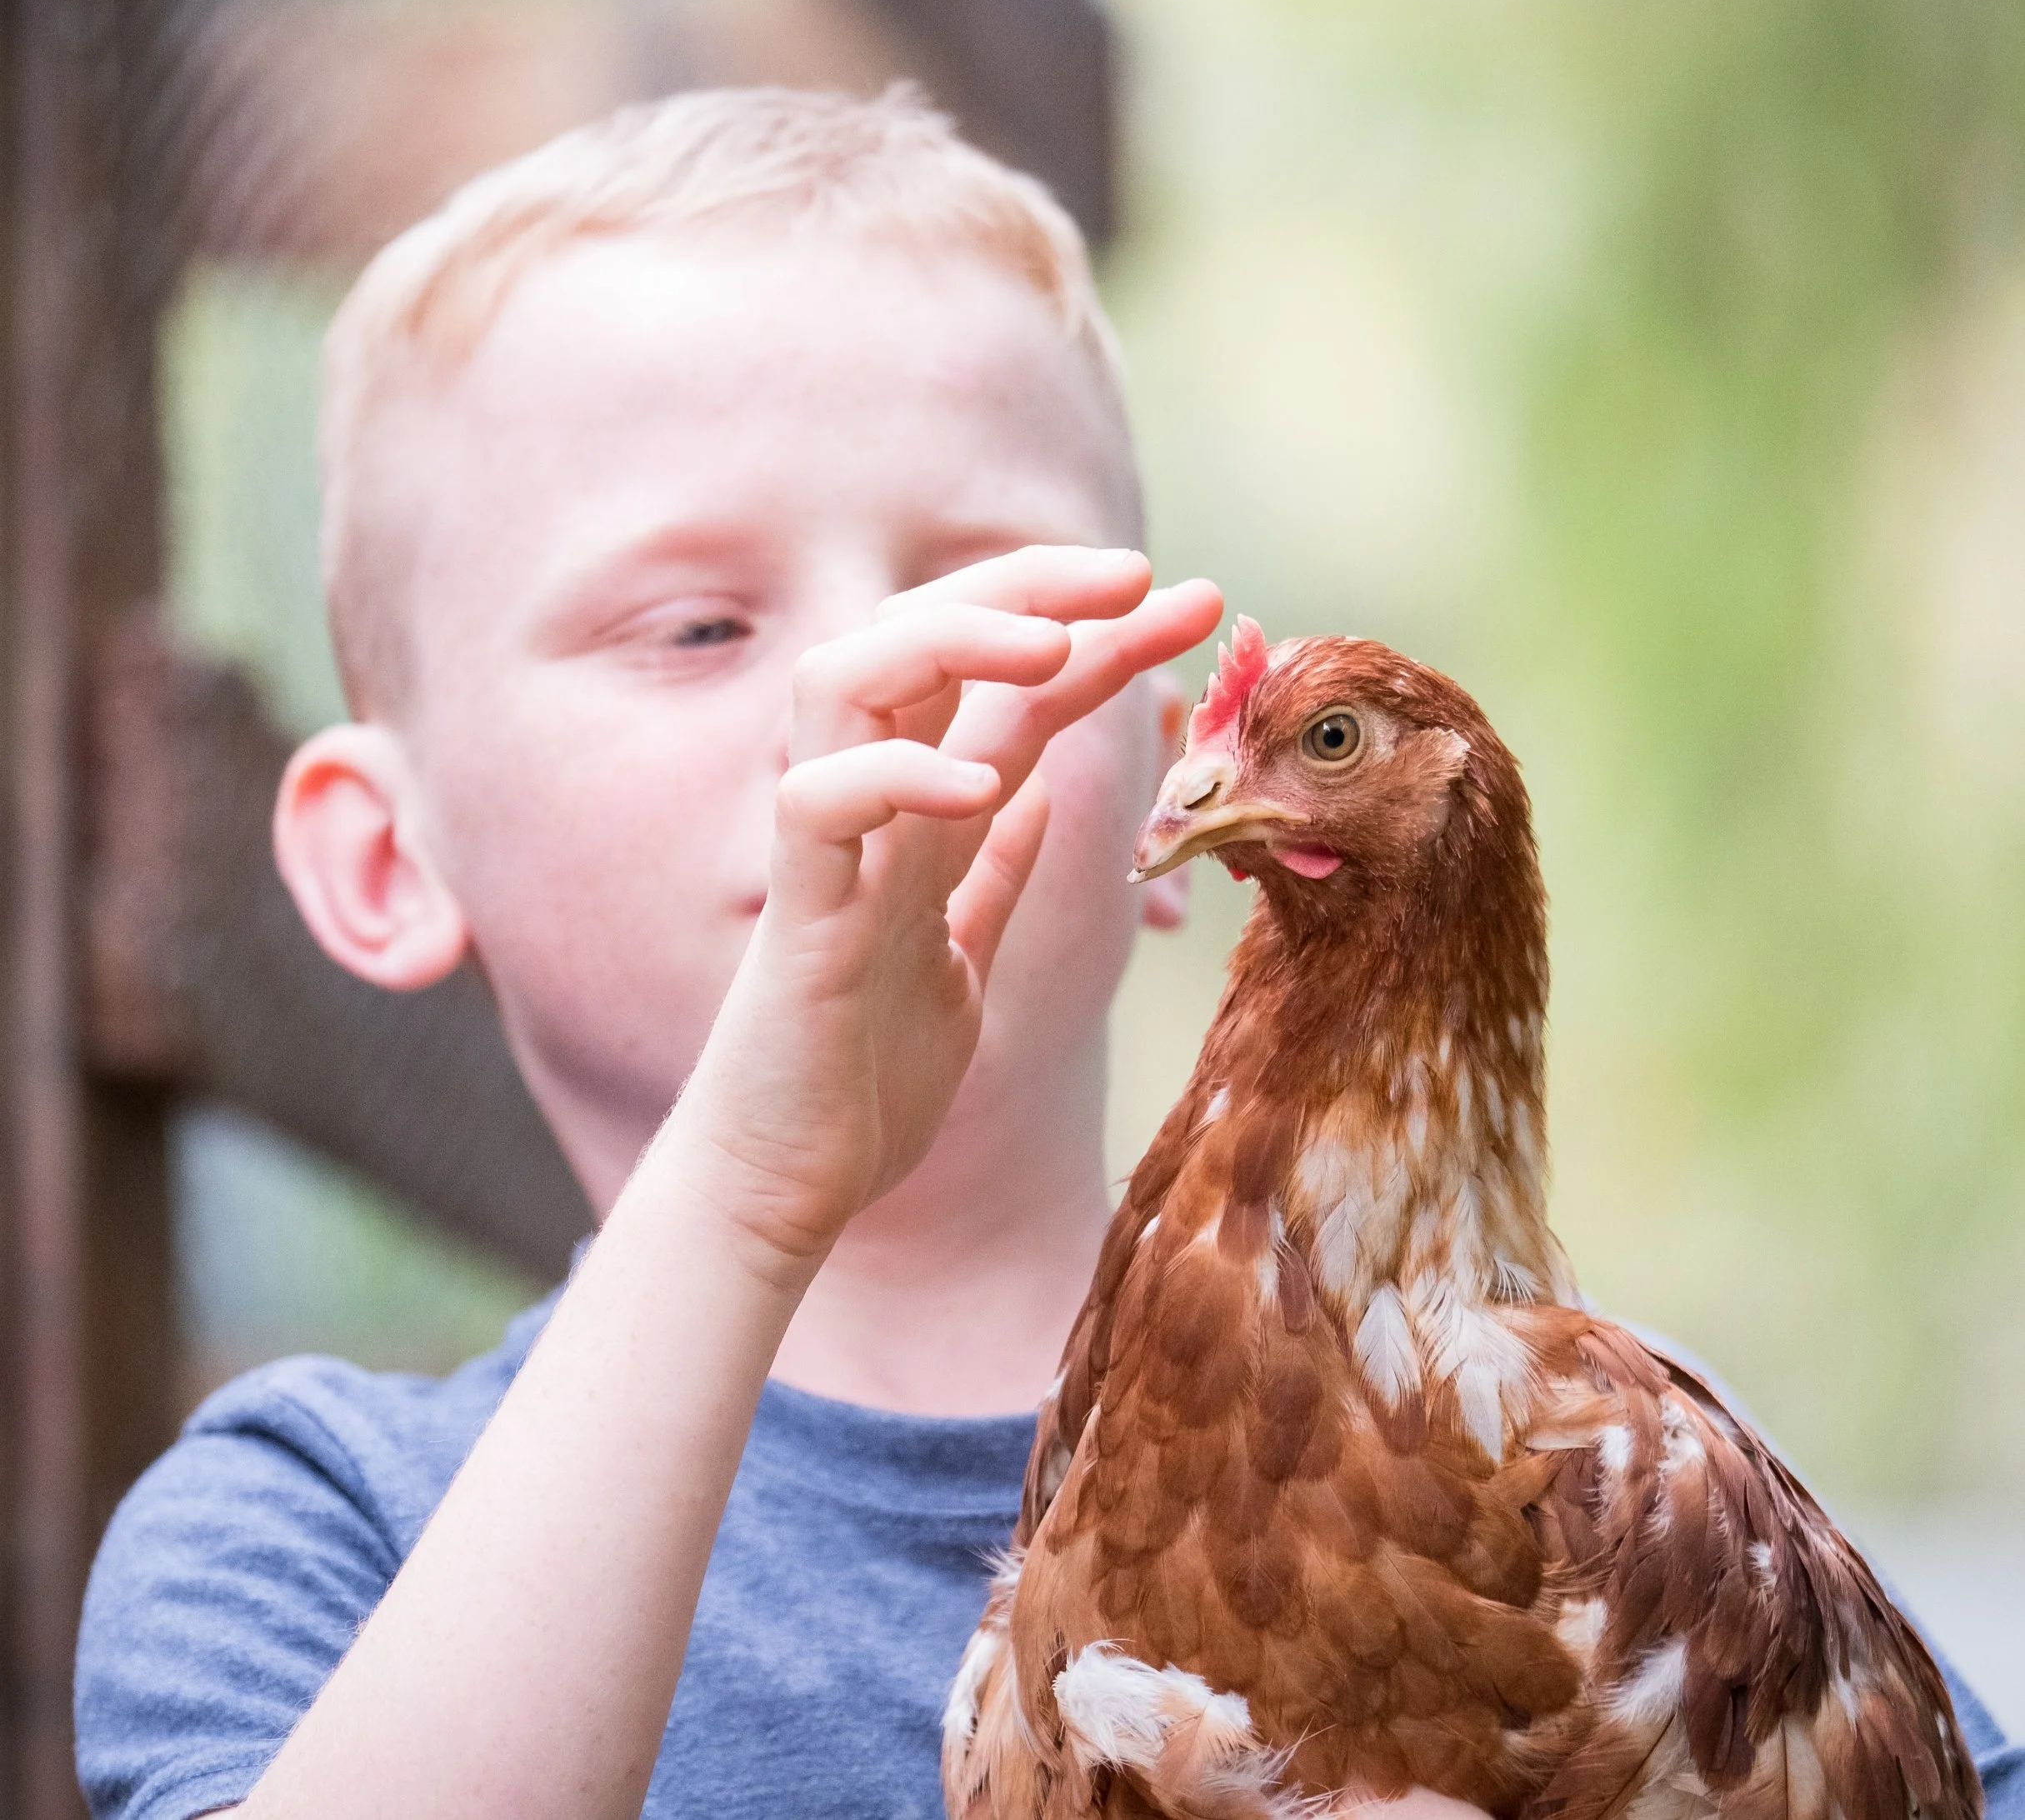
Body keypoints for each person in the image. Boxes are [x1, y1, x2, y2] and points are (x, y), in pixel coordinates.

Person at [72, 88, 2021, 1820]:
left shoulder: (1629, 1507)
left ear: (1178, 813)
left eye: (986, 613)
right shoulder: (316, 1535)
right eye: (693, 629)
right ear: (388, 859)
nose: (879, 700)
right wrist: (753, 1188)